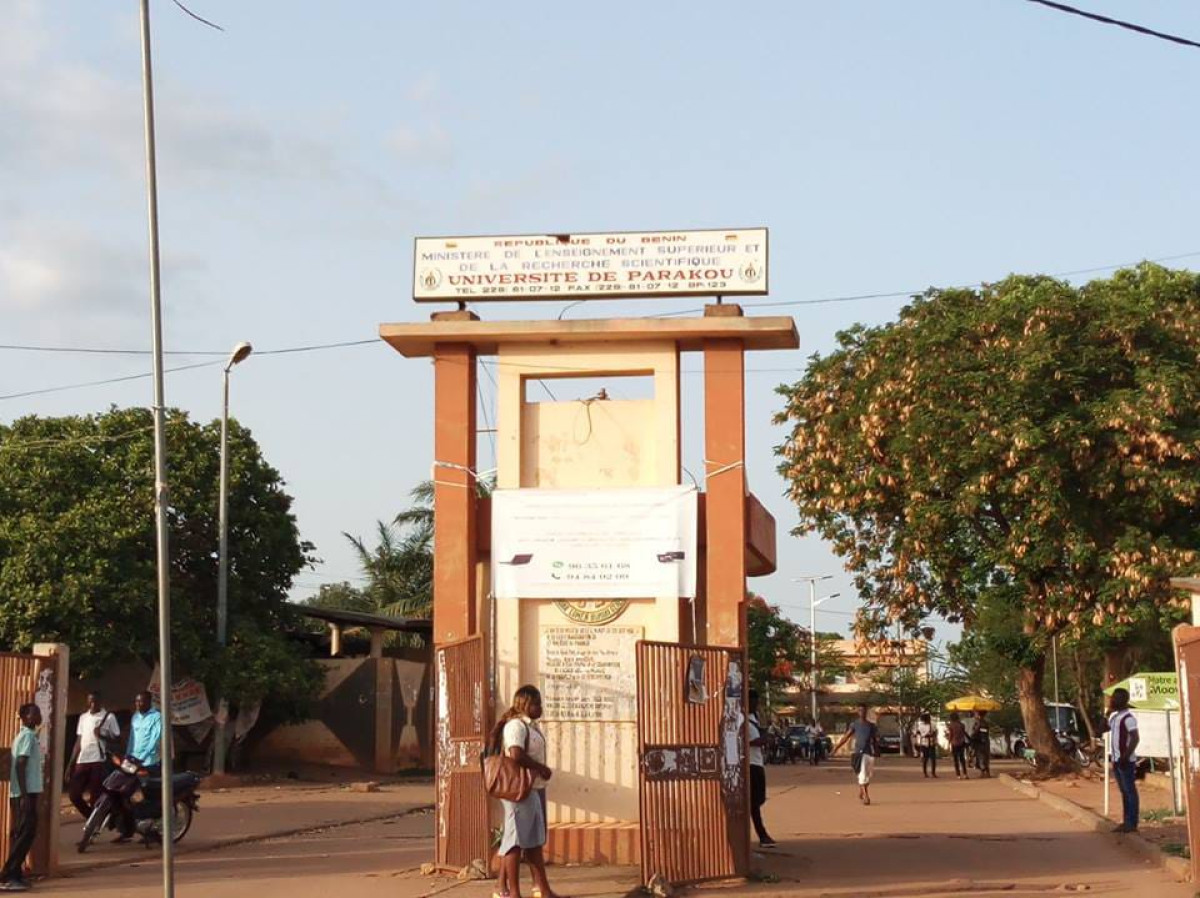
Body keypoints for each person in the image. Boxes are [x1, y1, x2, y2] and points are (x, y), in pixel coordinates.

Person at [491, 685, 562, 898]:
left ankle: (541, 889)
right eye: (536, 703)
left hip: (534, 788)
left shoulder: (531, 726)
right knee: (514, 841)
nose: (540, 707)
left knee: (533, 841)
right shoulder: (516, 725)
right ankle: (512, 892)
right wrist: (540, 768)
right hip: (519, 790)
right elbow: (515, 754)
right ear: (525, 704)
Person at [1, 703, 43, 892]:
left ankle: (15, 873)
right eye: (35, 714)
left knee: (23, 833)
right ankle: (7, 875)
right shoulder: (26, 736)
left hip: (23, 793)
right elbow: (20, 764)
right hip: (24, 794)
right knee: (25, 833)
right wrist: (25, 795)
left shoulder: (29, 736)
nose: (38, 716)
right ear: (25, 717)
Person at [116, 692, 163, 843]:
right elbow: (132, 739)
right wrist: (128, 756)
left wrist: (142, 758)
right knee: (124, 793)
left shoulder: (157, 717)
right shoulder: (135, 717)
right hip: (133, 762)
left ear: (149, 702)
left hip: (149, 763)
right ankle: (127, 830)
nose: (138, 704)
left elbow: (155, 739)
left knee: (150, 797)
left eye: (141, 702)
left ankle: (153, 829)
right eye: (136, 702)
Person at [67, 692, 120, 818]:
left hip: (98, 759)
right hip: (82, 759)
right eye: (90, 701)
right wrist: (71, 764)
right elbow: (78, 741)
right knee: (74, 794)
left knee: (95, 796)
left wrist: (101, 735)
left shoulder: (108, 717)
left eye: (95, 701)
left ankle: (93, 824)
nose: (92, 704)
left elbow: (118, 739)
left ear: (100, 702)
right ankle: (92, 817)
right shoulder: (83, 718)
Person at [747, 690, 777, 847]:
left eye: (756, 701)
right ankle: (762, 835)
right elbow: (749, 741)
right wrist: (763, 740)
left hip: (758, 762)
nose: (755, 704)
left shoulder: (755, 719)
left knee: (759, 799)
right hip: (750, 764)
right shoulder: (742, 719)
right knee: (753, 802)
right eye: (753, 701)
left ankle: (761, 834)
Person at [834, 704, 880, 805]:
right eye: (860, 710)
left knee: (867, 776)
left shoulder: (871, 726)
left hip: (869, 753)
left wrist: (877, 751)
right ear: (858, 712)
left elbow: (875, 740)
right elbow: (846, 737)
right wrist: (836, 747)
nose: (862, 712)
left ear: (866, 712)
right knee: (862, 773)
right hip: (859, 752)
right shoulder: (854, 724)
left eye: (864, 710)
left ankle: (861, 790)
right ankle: (866, 797)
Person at [1109, 687, 1140, 834]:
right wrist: (1107, 713)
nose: (1113, 700)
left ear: (1123, 700)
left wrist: (1126, 756)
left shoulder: (1128, 718)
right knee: (1124, 792)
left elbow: (1135, 738)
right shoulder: (1115, 717)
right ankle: (1126, 821)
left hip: (1125, 761)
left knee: (1130, 791)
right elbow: (1100, 730)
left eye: (1116, 698)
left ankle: (1132, 823)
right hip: (1116, 760)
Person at [947, 712, 969, 779]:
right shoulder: (962, 725)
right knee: (962, 759)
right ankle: (965, 774)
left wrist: (948, 743)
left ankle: (958, 775)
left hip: (954, 743)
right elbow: (963, 733)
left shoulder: (951, 725)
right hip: (961, 743)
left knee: (956, 760)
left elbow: (951, 735)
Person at [915, 713, 937, 778]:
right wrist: (923, 736)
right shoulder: (920, 726)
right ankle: (925, 773)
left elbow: (935, 732)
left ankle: (933, 773)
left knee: (933, 759)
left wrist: (933, 735)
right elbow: (918, 733)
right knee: (925, 759)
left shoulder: (932, 725)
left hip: (931, 743)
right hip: (924, 743)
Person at [973, 710, 992, 778]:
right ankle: (987, 772)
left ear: (978, 714)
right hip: (985, 741)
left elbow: (977, 731)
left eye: (975, 713)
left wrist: (976, 729)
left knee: (981, 757)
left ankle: (983, 772)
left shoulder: (979, 723)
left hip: (980, 742)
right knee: (985, 757)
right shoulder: (985, 722)